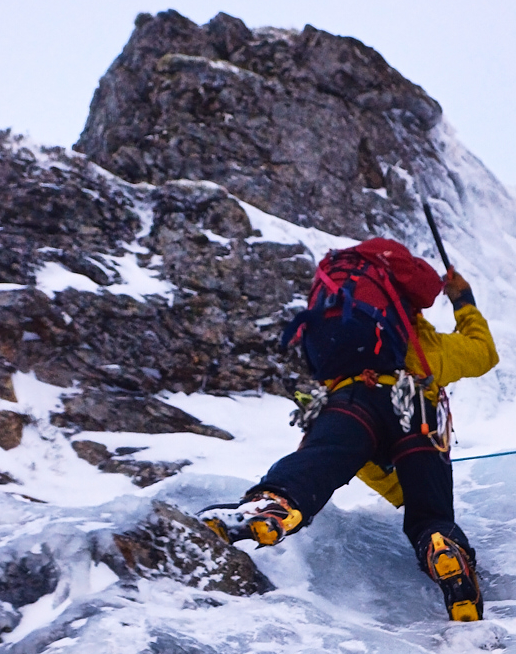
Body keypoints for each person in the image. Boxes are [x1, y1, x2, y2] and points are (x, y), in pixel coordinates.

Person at [203, 238, 498, 620]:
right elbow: (483, 351)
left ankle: (274, 505)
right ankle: (442, 548)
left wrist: (388, 480)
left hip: (348, 403)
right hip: (414, 409)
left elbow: (352, 457)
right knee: (432, 516)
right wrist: (463, 301)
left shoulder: (344, 342)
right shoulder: (423, 346)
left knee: (317, 463)